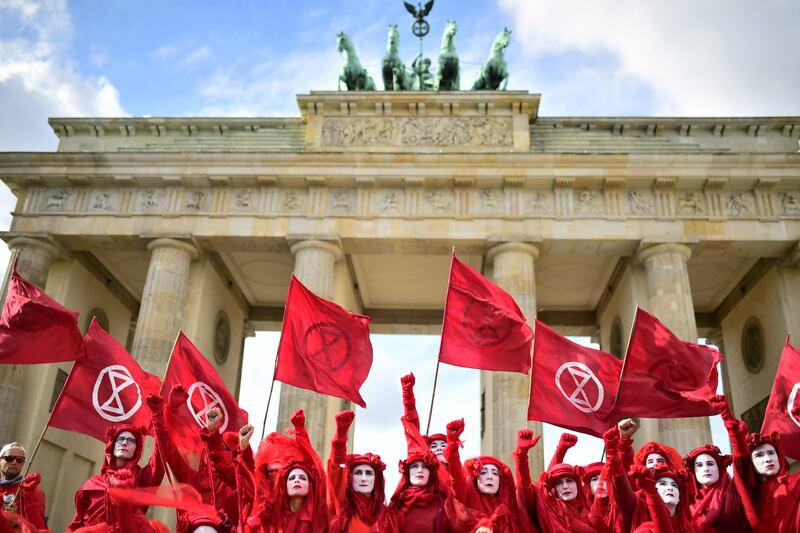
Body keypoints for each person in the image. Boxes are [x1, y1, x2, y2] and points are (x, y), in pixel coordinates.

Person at [66, 424, 165, 532]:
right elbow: (76, 523)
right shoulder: (93, 483)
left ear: (137, 449)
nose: (124, 442)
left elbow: (159, 458)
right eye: (121, 439)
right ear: (112, 445)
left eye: (131, 441)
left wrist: (158, 420)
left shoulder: (142, 479)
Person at [244, 409, 328, 532]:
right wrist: (244, 448)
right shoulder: (270, 512)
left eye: (302, 477)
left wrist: (300, 431)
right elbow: (248, 479)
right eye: (292, 478)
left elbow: (313, 464)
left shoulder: (317, 515)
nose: (297, 481)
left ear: (310, 484)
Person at [603, 426, 699, 532]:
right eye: (650, 462)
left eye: (674, 485)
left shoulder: (688, 525)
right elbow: (623, 487)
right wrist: (614, 452)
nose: (655, 465)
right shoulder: (638, 503)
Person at [443, 419, 533, 533]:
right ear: (475, 478)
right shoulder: (466, 498)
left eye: (495, 473)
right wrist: (452, 443)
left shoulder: (510, 508)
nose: (490, 477)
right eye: (484, 472)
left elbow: (524, 488)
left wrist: (522, 455)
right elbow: (457, 478)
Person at [514, 429, 594, 532]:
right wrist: (522, 455)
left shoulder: (592, 508)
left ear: (578, 485)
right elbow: (525, 489)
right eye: (559, 483)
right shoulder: (548, 509)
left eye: (569, 481)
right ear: (554, 489)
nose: (565, 486)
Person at [328, 410, 395, 533]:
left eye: (369, 473)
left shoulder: (386, 515)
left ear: (376, 480)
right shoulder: (341, 504)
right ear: (350, 477)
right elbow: (336, 468)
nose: (364, 478)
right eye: (358, 473)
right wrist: (341, 435)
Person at [388, 444, 451, 532]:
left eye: (425, 467)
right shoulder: (397, 504)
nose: (420, 470)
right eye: (414, 466)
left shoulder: (444, 504)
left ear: (430, 473)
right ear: (407, 473)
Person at [0, 442, 46, 531]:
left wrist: (16, 519)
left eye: (19, 459)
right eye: (9, 458)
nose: (14, 462)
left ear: (23, 463)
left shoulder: (32, 491)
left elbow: (38, 528)